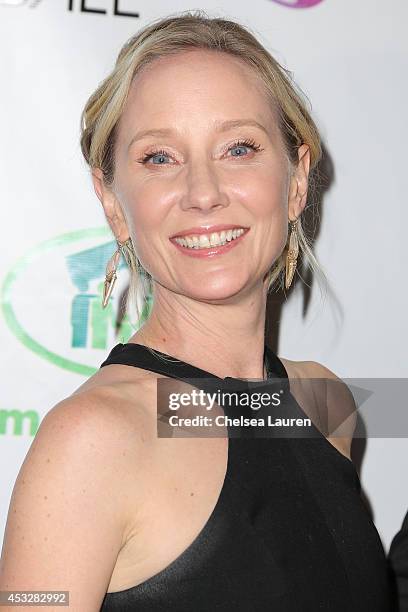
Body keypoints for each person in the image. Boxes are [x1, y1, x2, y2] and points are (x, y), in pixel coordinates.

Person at [0, 10, 392, 611]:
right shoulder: (95, 439)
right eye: (160, 157)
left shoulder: (324, 403)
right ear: (111, 200)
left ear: (296, 182)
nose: (203, 192)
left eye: (238, 148)